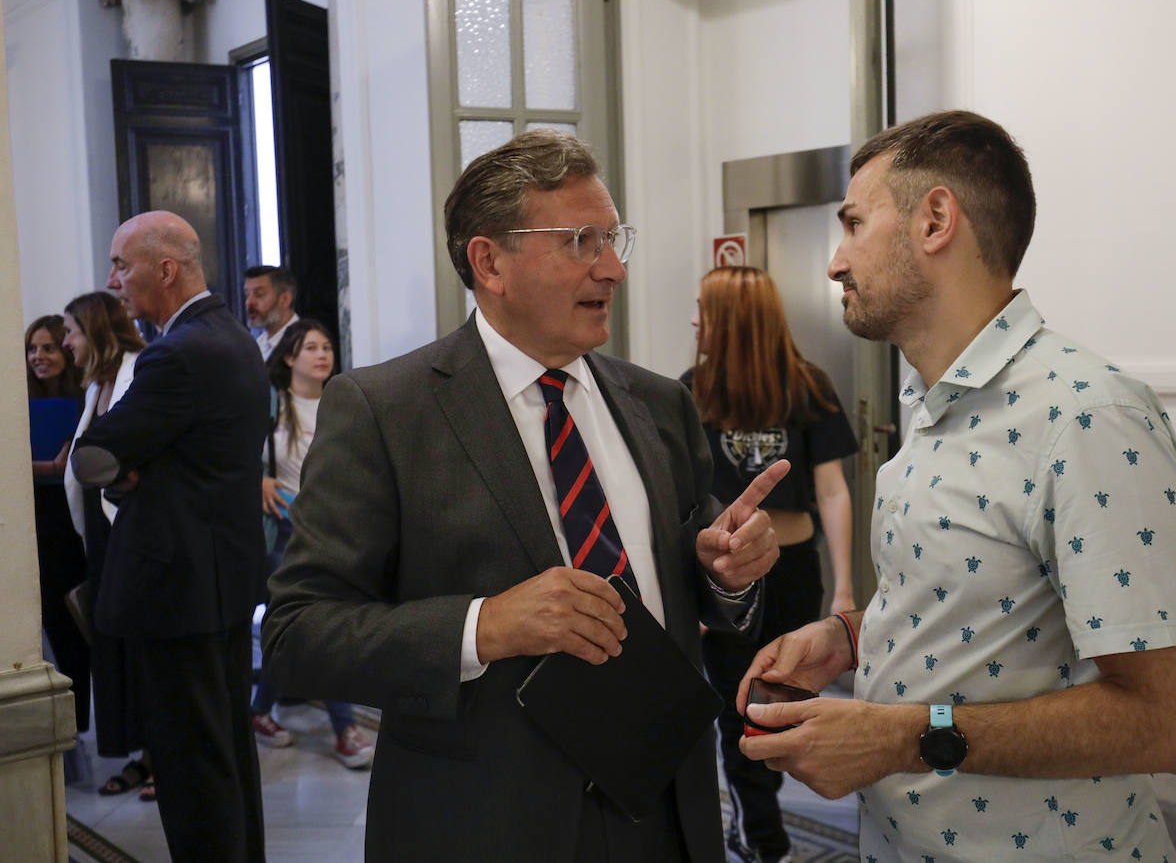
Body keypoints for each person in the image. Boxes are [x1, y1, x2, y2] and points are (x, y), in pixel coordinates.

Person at [263, 129, 786, 863]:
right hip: (486, 822)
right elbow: (296, 635)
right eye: (580, 241)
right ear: (489, 262)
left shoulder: (658, 404)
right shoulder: (387, 410)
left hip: (668, 810)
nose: (612, 269)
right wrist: (486, 626)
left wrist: (725, 572)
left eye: (613, 239)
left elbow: (686, 585)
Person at [737, 111, 1176, 862]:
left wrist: (899, 738)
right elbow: (978, 601)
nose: (835, 261)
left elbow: (1171, 724)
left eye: (855, 224)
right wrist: (846, 639)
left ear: (934, 221)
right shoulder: (929, 407)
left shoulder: (1086, 416)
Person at [70, 211, 269, 863]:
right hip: (222, 580)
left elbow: (93, 451)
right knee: (228, 753)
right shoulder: (235, 338)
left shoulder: (174, 354)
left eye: (121, 265)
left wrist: (126, 477)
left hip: (177, 587)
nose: (113, 280)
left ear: (165, 269)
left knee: (191, 767)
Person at [681, 266, 858, 863]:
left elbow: (832, 493)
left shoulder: (809, 387)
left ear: (731, 319)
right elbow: (682, 506)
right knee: (739, 710)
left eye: (703, 310)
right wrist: (695, 596)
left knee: (779, 698)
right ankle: (763, 838)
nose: (694, 322)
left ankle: (764, 813)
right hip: (729, 577)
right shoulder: (691, 391)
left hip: (794, 570)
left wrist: (845, 589)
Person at [250, 318, 375, 769]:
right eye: (311, 348)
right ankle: (345, 728)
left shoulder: (342, 403)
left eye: (327, 347)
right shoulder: (271, 404)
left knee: (302, 623)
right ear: (289, 358)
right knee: (317, 620)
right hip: (284, 526)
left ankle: (259, 710)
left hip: (333, 526)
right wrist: (258, 476)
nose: (323, 355)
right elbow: (238, 452)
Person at [60, 293, 151, 798]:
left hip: (132, 527)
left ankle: (160, 753)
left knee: (141, 644)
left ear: (93, 330)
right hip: (101, 528)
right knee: (115, 643)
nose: (68, 339)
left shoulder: (140, 370)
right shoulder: (95, 384)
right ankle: (141, 751)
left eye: (71, 330)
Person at [26, 316, 89, 754]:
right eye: (33, 348)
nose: (39, 357)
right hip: (35, 520)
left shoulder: (82, 401)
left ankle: (83, 721)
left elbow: (68, 468)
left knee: (76, 622)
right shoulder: (18, 403)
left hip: (71, 522)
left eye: (49, 347)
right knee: (51, 619)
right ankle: (71, 725)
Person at [243, 264, 299, 359]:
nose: (249, 302)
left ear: (285, 300)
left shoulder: (305, 343)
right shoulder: (259, 344)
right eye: (247, 295)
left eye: (259, 294)